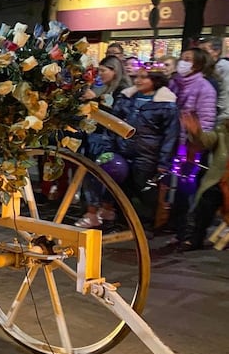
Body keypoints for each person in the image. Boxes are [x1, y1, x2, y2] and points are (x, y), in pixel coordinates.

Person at [107, 69, 179, 233]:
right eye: (136, 77)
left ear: (155, 80)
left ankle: (148, 223)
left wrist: (164, 161)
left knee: (145, 188)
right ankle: (124, 221)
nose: (138, 81)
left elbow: (171, 135)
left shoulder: (166, 104)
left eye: (144, 78)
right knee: (123, 187)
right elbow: (114, 122)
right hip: (124, 151)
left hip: (148, 154)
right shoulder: (126, 98)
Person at [75, 56, 131, 228]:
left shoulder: (122, 91)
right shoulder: (102, 88)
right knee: (94, 175)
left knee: (97, 175)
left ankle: (96, 212)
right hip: (96, 137)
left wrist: (94, 102)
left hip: (108, 140)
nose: (100, 74)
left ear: (114, 71)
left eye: (103, 70)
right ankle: (101, 211)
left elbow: (117, 116)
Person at [168, 47, 217, 240]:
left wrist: (194, 142)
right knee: (171, 184)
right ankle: (172, 223)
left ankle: (185, 230)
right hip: (172, 140)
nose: (183, 62)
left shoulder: (205, 88)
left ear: (197, 64)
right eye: (182, 58)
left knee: (185, 186)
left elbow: (205, 121)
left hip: (189, 146)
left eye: (187, 59)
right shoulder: (175, 83)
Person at [177, 112, 229, 251]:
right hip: (220, 179)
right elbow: (204, 141)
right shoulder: (223, 130)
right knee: (205, 201)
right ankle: (194, 238)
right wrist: (196, 132)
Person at [198, 36, 229, 124]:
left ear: (216, 51)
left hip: (221, 116)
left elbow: (225, 91)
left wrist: (217, 110)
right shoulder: (205, 67)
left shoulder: (224, 67)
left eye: (204, 50)